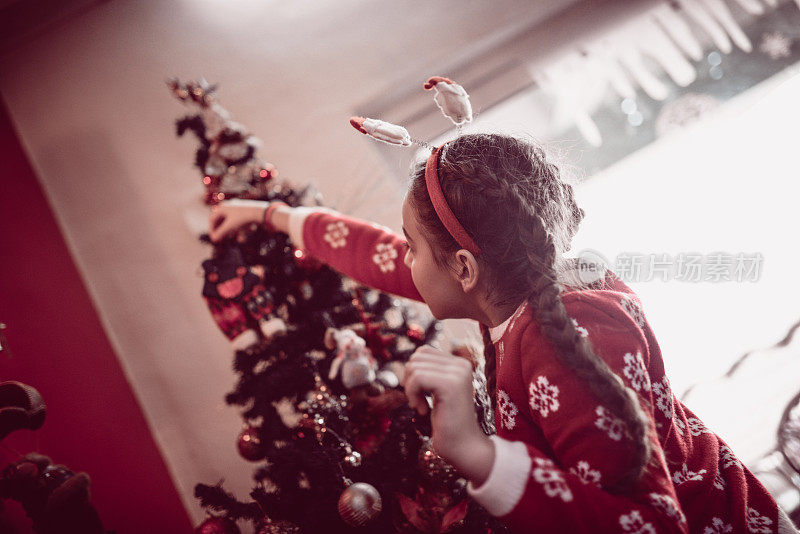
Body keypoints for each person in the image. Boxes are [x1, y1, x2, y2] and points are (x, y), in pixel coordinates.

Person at [208, 133, 797, 533]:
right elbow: (381, 257)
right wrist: (273, 215)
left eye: (416, 247)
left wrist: (475, 452)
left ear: (463, 268)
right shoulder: (516, 288)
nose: (404, 259)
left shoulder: (565, 337)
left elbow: (649, 523)